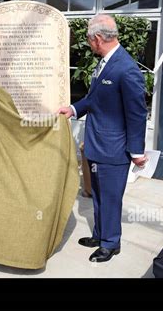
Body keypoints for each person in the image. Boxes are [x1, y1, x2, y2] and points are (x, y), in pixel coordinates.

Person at [58, 14, 148, 263]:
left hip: (114, 149)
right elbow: (94, 98)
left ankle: (111, 243)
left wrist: (137, 152)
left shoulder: (126, 68)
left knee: (110, 198)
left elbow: (137, 113)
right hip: (97, 145)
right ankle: (99, 235)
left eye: (88, 38)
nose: (88, 43)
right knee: (97, 194)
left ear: (98, 38)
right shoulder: (106, 62)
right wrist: (74, 109)